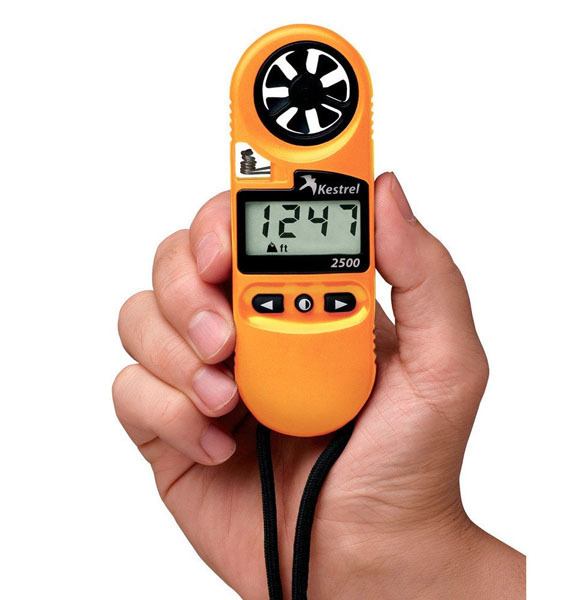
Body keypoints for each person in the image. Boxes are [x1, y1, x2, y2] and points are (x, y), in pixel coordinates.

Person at [113, 172, 526, 599]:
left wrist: (398, 557)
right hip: (267, 428)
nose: (296, 234)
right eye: (281, 229)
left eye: (320, 223)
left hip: (323, 410)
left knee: (260, 205)